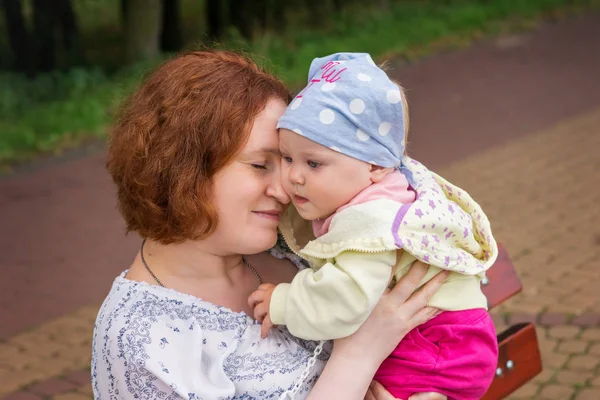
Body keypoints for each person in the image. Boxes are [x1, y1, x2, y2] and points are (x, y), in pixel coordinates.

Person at [92, 49, 449, 400]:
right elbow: (366, 345)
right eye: (261, 165)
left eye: (290, 162)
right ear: (182, 170)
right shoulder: (139, 339)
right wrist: (359, 354)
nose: (284, 190)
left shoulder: (297, 244)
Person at [249, 52, 499, 400]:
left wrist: (284, 301)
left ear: (376, 167)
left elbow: (345, 299)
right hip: (446, 340)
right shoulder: (382, 194)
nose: (293, 176)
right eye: (288, 158)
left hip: (439, 348)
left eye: (314, 163)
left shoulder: (372, 221)